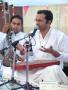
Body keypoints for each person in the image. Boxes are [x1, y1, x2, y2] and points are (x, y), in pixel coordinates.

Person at [17, 10, 68, 85]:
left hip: (50, 69)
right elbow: (27, 54)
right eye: (36, 20)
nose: (37, 23)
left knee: (53, 70)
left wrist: (55, 53)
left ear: (49, 22)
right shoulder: (32, 34)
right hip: (34, 70)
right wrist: (22, 52)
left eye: (40, 20)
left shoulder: (60, 36)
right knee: (9, 71)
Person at [0, 15, 26, 80]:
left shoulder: (25, 37)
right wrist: (3, 32)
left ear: (21, 25)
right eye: (14, 23)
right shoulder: (6, 36)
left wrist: (22, 52)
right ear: (10, 24)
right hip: (6, 66)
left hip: (19, 66)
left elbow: (27, 55)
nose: (15, 26)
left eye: (18, 24)